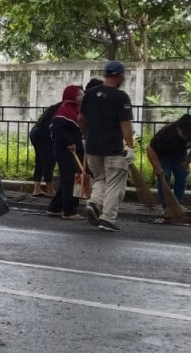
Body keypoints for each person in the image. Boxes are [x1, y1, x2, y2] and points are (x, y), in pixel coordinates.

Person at [79, 60, 134, 232]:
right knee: (114, 182)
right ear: (118, 76)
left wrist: (84, 136)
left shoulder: (90, 94)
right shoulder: (120, 97)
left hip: (93, 145)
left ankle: (94, 203)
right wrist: (130, 148)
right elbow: (126, 124)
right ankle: (107, 219)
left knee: (100, 178)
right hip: (113, 147)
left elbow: (81, 118)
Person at [46, 85, 84, 220]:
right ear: (71, 96)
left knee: (68, 180)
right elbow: (56, 129)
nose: (81, 97)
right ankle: (70, 211)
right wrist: (69, 142)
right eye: (78, 95)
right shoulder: (64, 111)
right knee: (71, 181)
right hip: (65, 151)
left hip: (73, 151)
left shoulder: (74, 111)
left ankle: (55, 207)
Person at [146, 114, 190, 213]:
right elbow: (150, 149)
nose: (186, 136)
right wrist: (157, 167)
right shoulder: (166, 133)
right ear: (179, 128)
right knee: (164, 176)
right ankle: (166, 206)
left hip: (180, 155)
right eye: (185, 133)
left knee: (182, 175)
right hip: (163, 155)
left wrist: (187, 162)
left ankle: (177, 204)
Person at [29, 100, 62, 197]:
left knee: (39, 160)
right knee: (49, 160)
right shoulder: (64, 108)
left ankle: (37, 188)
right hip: (44, 134)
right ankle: (50, 190)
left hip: (36, 131)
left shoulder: (56, 106)